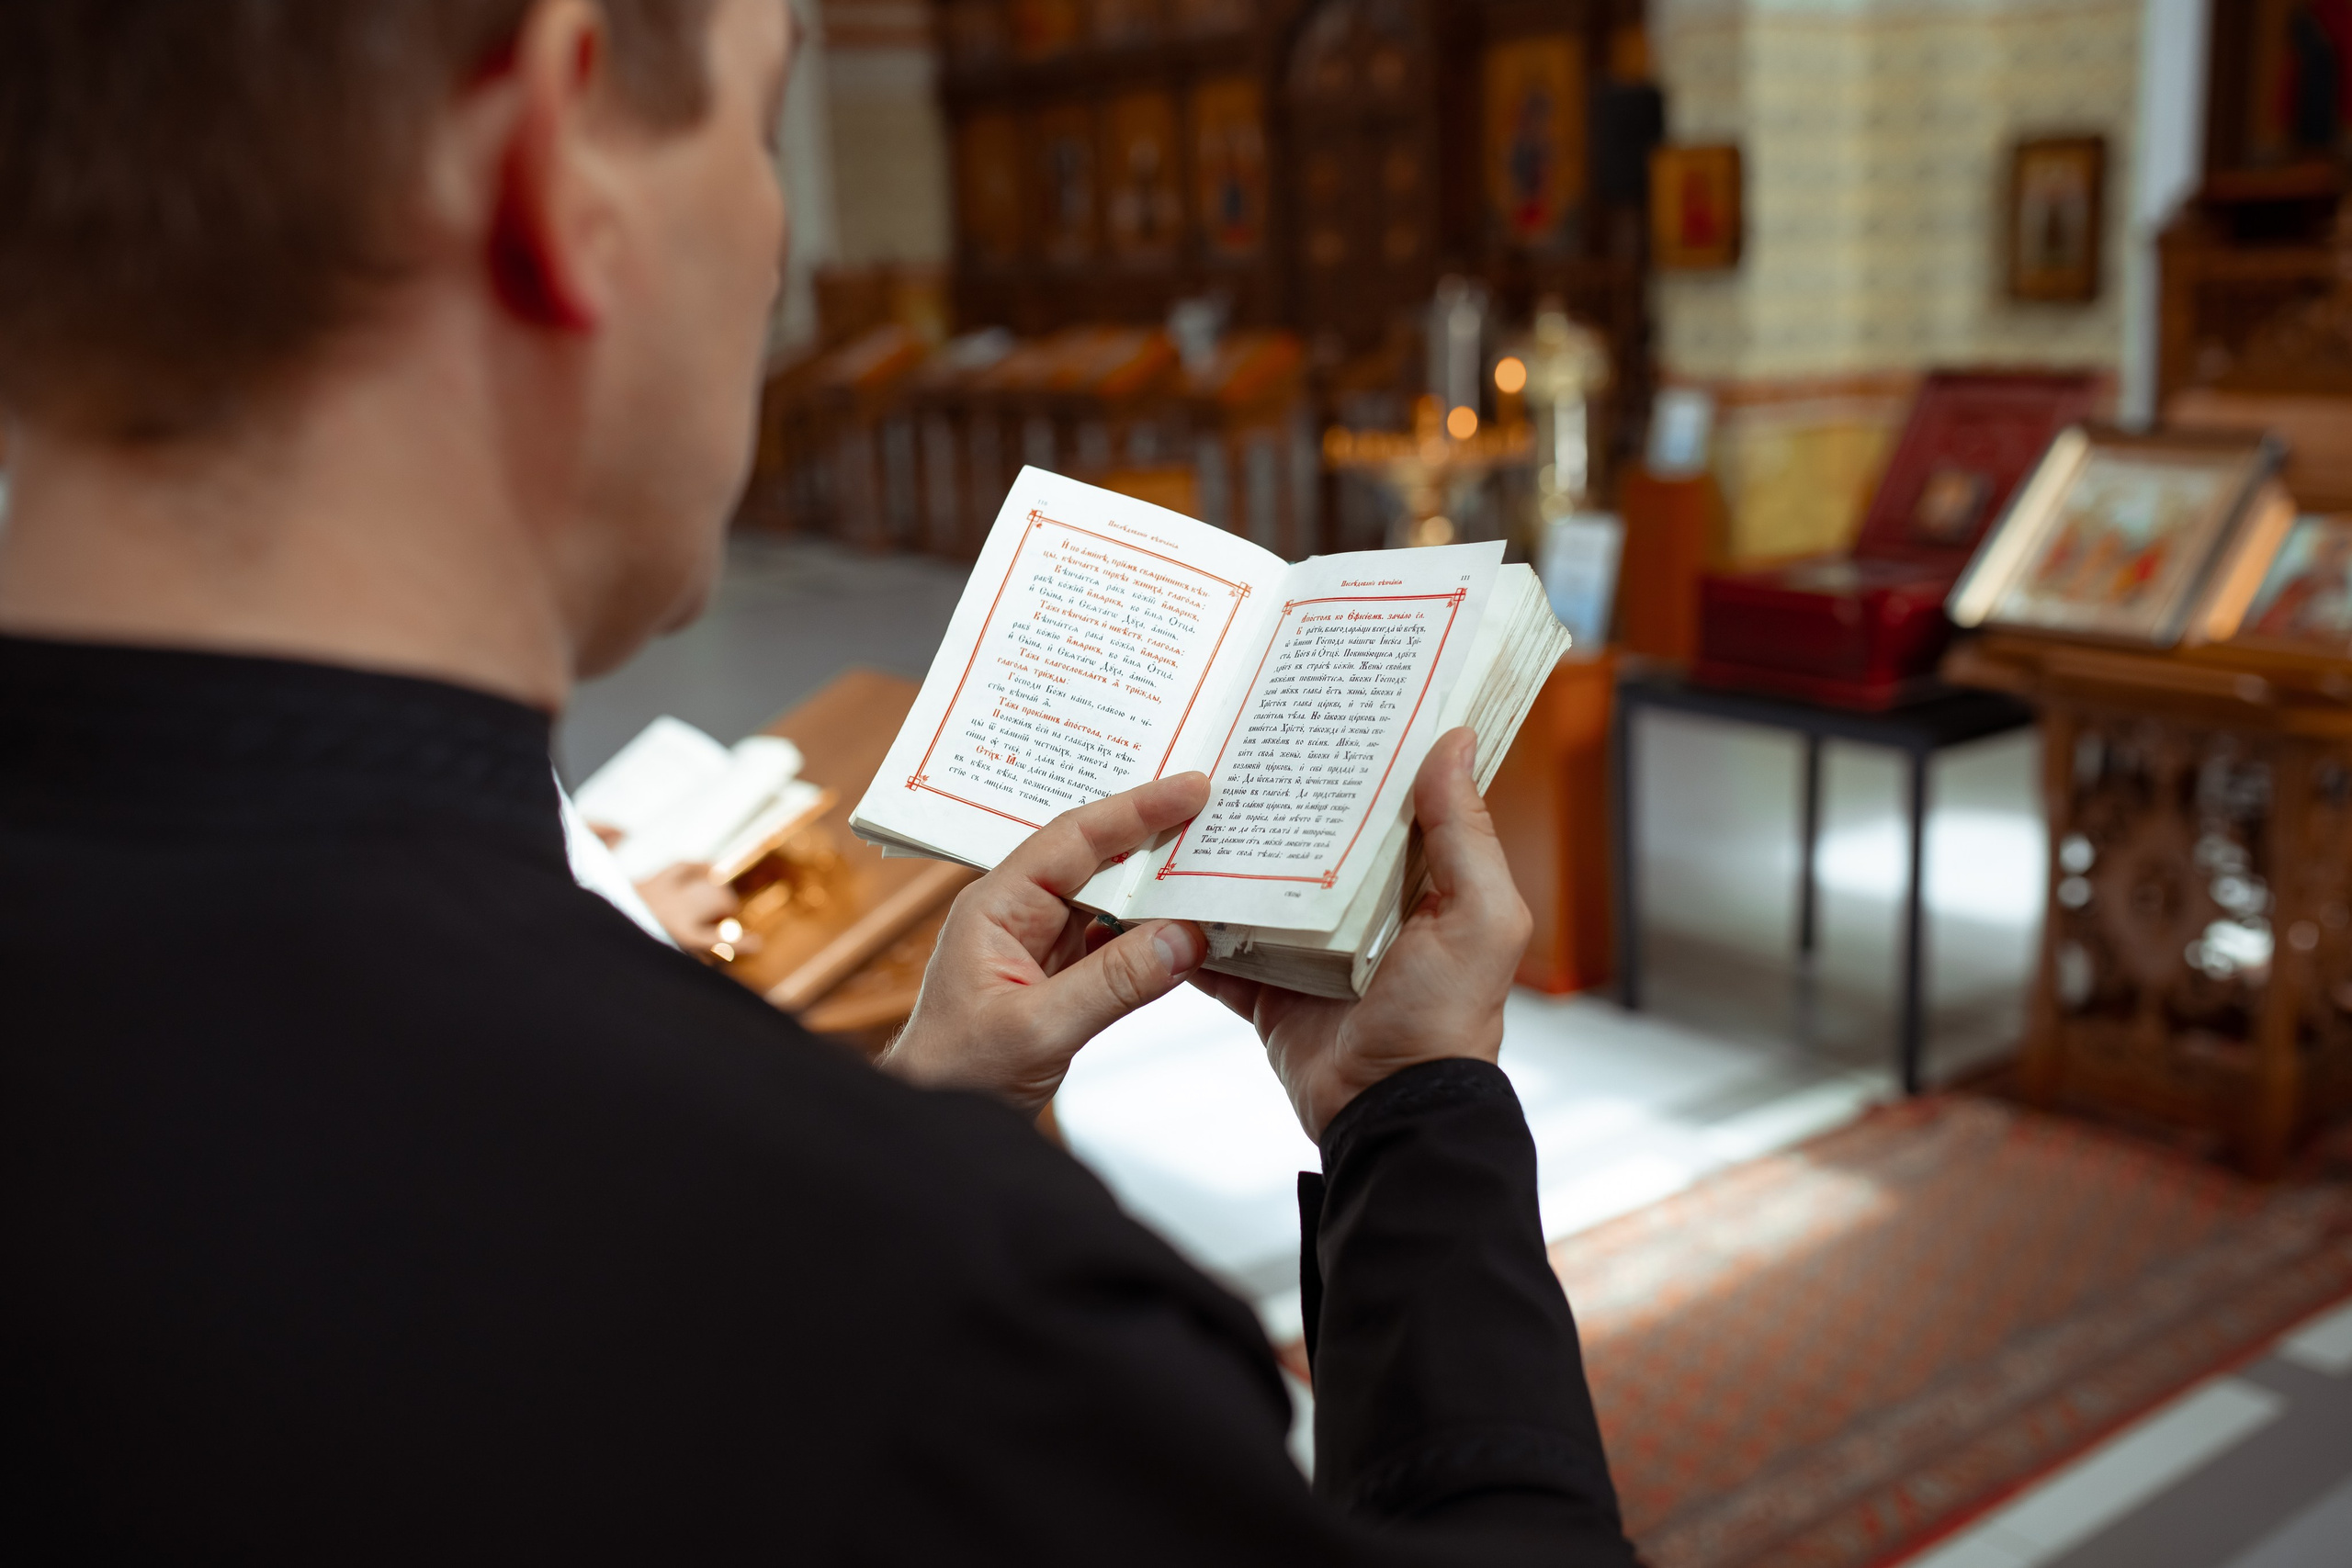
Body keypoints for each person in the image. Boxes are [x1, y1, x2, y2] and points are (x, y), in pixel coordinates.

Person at [0, 2, 1633, 1561]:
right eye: (763, 123)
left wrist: (905, 1124)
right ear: (557, 161)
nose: (773, 237)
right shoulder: (936, 1322)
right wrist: (1410, 1122)